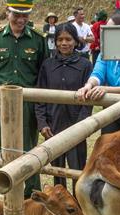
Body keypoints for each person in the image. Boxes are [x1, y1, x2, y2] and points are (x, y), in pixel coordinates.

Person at [0, 0, 47, 198]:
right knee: (6, 148)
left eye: (25, 15)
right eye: (16, 14)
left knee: (29, 148)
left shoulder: (37, 40)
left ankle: (32, 194)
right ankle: (12, 192)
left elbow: (44, 71)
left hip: (29, 103)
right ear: (7, 13)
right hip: (3, 103)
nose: (20, 19)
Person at [35, 23, 93, 192]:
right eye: (60, 39)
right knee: (57, 172)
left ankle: (79, 207)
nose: (64, 43)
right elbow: (39, 96)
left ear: (76, 41)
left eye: (68, 39)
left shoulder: (85, 65)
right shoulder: (48, 65)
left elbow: (88, 103)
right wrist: (42, 123)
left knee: (77, 172)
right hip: (53, 127)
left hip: (76, 128)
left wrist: (81, 127)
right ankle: (59, 207)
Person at [76, 9, 120, 134]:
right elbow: (98, 73)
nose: (106, 34)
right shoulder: (106, 51)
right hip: (109, 109)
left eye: (111, 30)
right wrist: (89, 85)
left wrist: (105, 89)